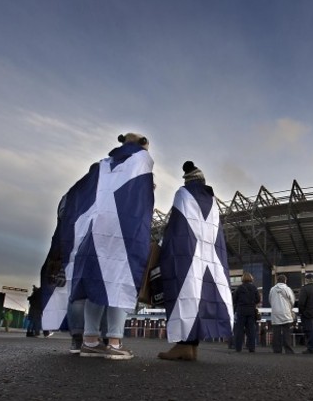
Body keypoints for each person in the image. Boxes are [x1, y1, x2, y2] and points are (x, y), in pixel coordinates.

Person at [41, 133, 155, 360]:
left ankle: (90, 340)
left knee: (94, 284)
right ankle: (114, 342)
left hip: (93, 231)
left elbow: (78, 194)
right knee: (120, 282)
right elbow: (141, 201)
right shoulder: (142, 160)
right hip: (125, 230)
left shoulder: (102, 165)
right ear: (142, 145)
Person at [157, 161, 234, 361]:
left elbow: (176, 225)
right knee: (203, 297)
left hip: (187, 252)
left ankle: (183, 345)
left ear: (187, 180)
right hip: (211, 255)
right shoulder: (212, 199)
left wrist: (164, 245)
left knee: (184, 294)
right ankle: (192, 346)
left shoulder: (183, 194)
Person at [232, 272, 260, 353]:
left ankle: (238, 348)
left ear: (242, 279)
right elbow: (258, 299)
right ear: (251, 279)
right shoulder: (254, 288)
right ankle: (252, 348)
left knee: (239, 330)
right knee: (251, 330)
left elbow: (234, 300)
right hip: (251, 311)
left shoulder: (239, 288)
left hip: (241, 310)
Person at [268, 274, 296, 354]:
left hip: (275, 313)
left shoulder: (272, 289)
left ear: (277, 280)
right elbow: (292, 300)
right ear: (285, 281)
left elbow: (270, 300)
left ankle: (277, 349)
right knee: (286, 332)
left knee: (276, 333)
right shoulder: (287, 289)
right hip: (286, 312)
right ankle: (288, 349)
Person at [297, 273, 313, 354]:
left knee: (309, 330)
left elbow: (301, 302)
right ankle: (312, 347)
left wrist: (301, 312)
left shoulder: (305, 289)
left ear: (306, 280)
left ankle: (311, 348)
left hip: (307, 313)